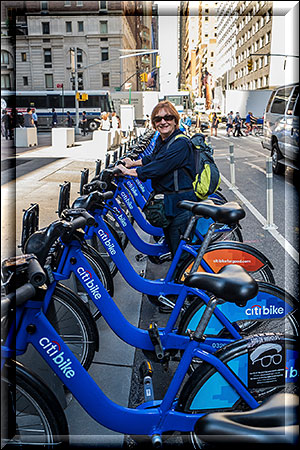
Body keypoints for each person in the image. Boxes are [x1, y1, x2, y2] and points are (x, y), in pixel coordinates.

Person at [115, 100, 197, 258]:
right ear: (153, 123)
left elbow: (160, 166)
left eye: (168, 117)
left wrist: (128, 172)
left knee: (181, 257)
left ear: (175, 120)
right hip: (169, 202)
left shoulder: (180, 143)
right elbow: (154, 157)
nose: (163, 122)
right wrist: (133, 163)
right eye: (158, 119)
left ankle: (186, 281)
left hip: (180, 204)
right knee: (174, 249)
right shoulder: (164, 140)